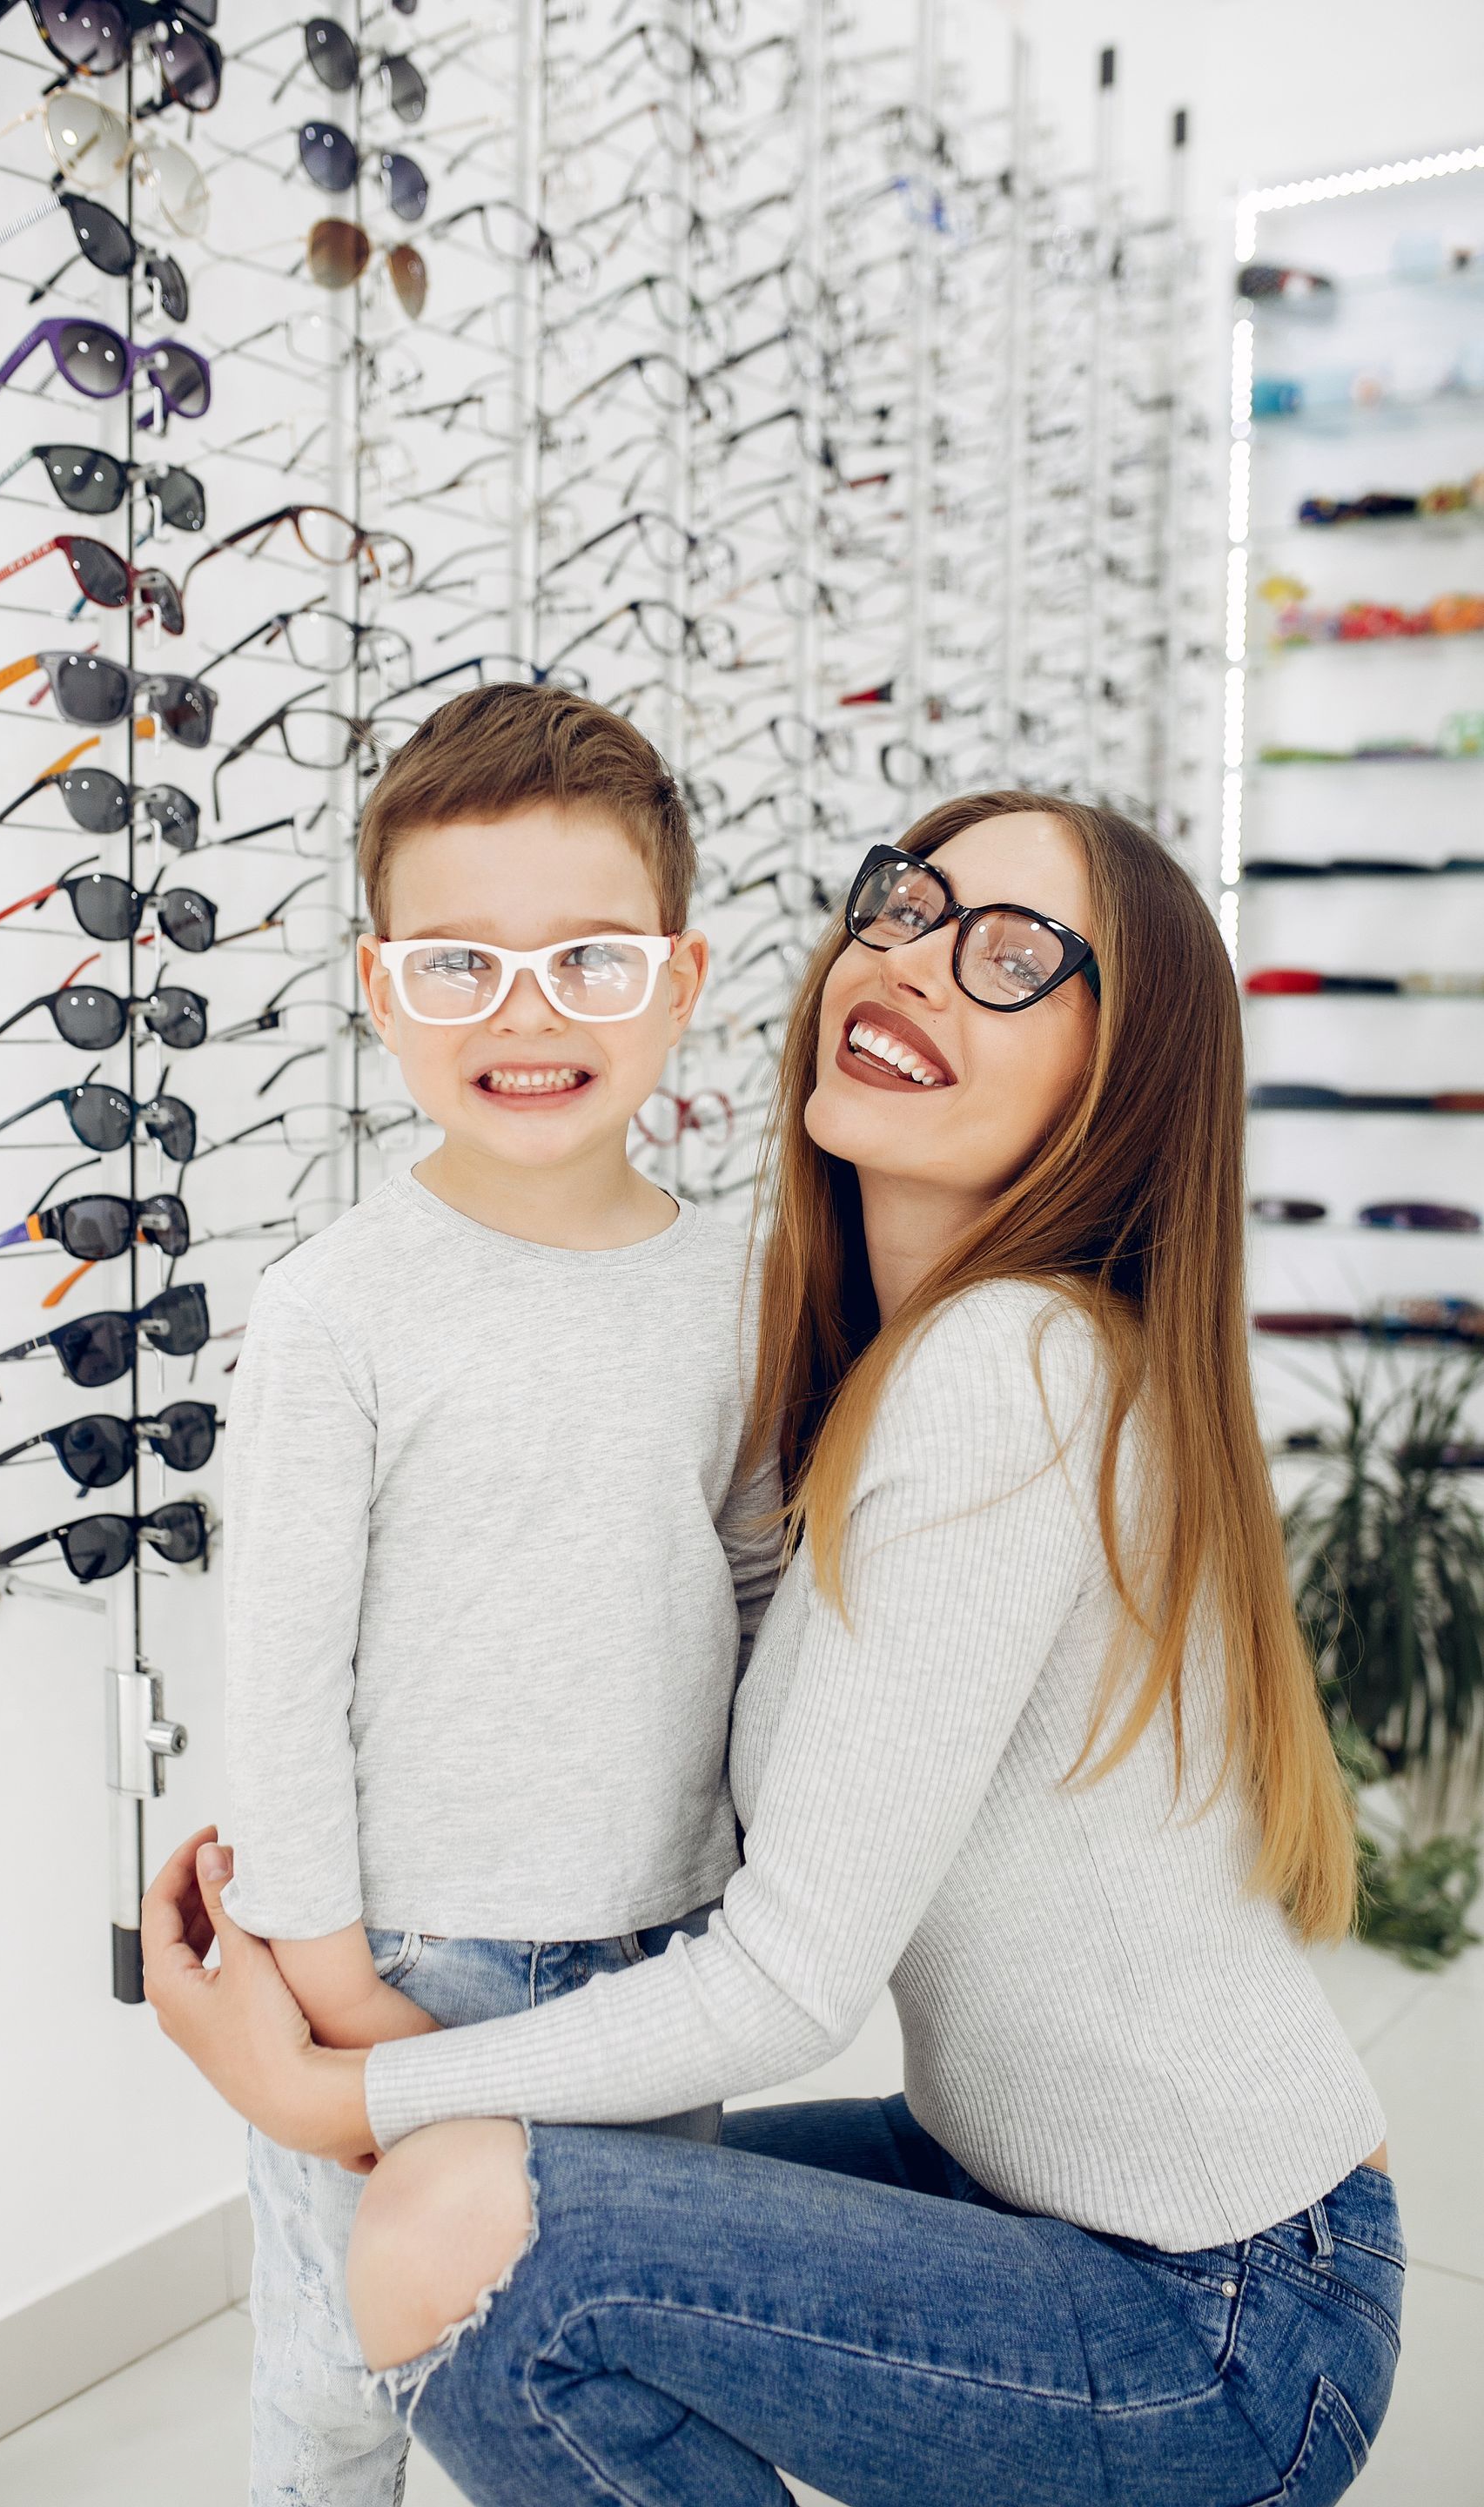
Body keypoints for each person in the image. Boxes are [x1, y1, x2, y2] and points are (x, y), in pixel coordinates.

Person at [147, 791, 1400, 2507]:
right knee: (512, 2183)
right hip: (1073, 2199)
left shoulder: (1005, 1375)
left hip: (1215, 2320)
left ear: (1125, 1073)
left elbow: (785, 1985)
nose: (917, 962)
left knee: (456, 2230)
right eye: (906, 906)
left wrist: (334, 2087)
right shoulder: (875, 1352)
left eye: (1014, 955)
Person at [218, 682, 776, 2504]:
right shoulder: (337, 1308)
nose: (525, 1014)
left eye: (588, 961)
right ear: (383, 991)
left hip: (657, 1955)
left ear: (680, 980)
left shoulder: (744, 1296)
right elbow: (283, 1672)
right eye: (458, 964)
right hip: (402, 1951)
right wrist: (329, 1989)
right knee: (342, 2379)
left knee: (601, 2371)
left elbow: (761, 1590)